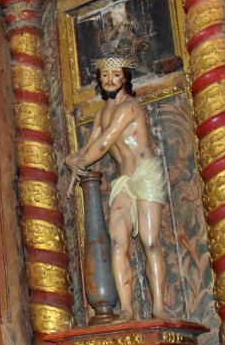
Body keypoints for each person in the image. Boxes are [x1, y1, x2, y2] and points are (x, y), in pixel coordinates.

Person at [65, 55, 168, 321]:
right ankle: (126, 309)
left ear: (125, 77)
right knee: (117, 241)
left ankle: (158, 308)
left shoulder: (128, 107)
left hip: (145, 173)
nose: (110, 80)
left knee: (150, 241)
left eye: (115, 74)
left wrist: (79, 162)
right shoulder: (102, 113)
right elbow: (90, 145)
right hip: (123, 181)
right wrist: (72, 159)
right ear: (99, 79)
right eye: (105, 75)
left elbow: (102, 145)